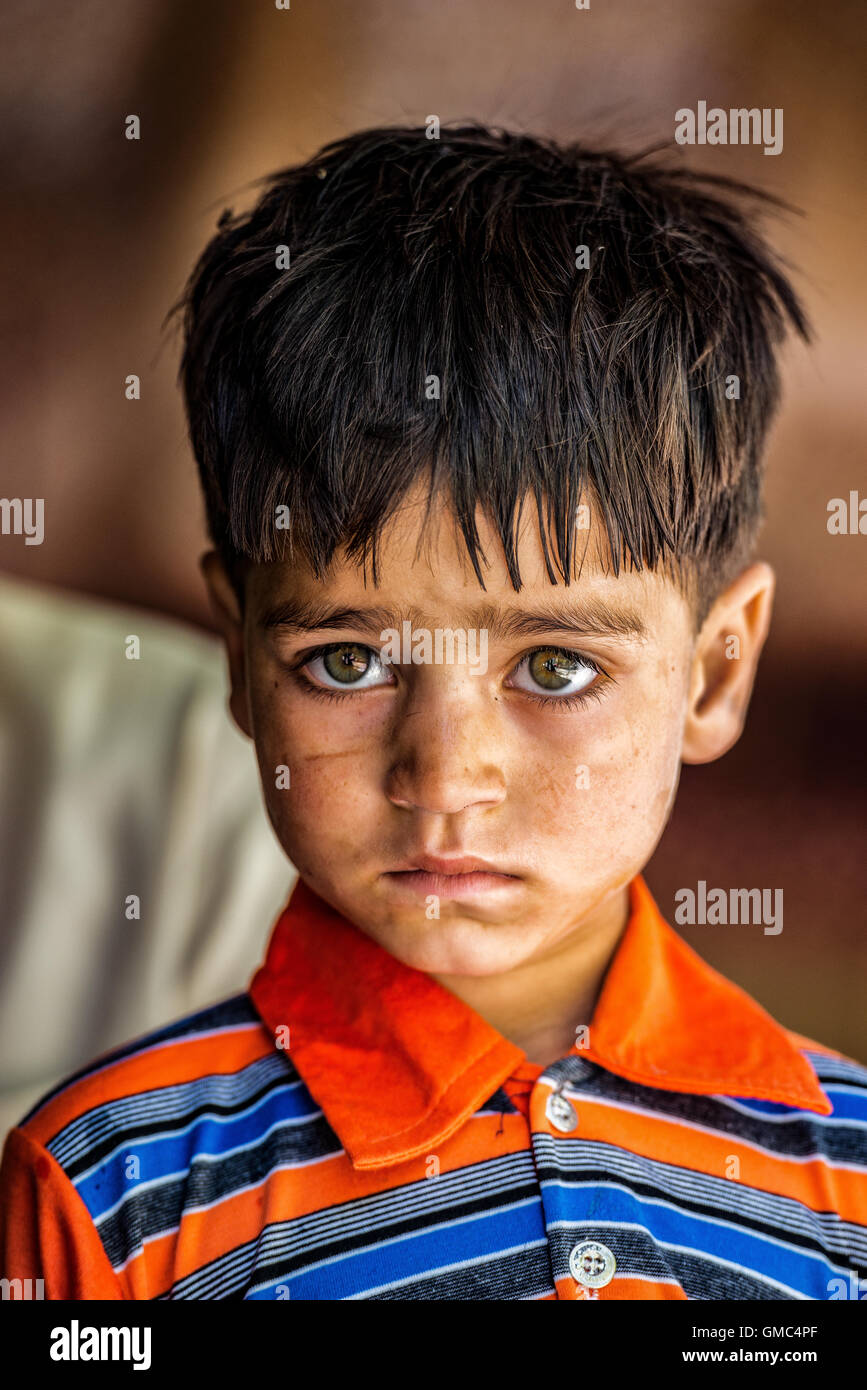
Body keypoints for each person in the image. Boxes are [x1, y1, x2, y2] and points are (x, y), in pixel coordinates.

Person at [2, 124, 865, 1301]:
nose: (446, 774)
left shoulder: (848, 1177)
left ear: (715, 673)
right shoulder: (109, 1192)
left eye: (554, 669)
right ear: (246, 659)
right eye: (348, 661)